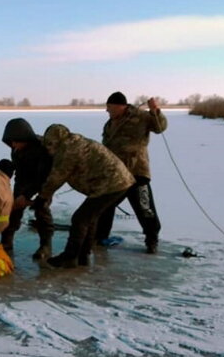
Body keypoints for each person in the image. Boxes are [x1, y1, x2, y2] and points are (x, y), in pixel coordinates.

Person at [30, 124, 135, 268]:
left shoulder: (68, 150)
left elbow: (57, 177)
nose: (48, 149)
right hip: (115, 181)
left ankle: (70, 256)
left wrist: (42, 198)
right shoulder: (71, 141)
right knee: (89, 219)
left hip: (111, 183)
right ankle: (83, 255)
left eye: (50, 144)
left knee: (80, 219)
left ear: (55, 141)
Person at [96, 91, 168, 254]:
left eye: (109, 107)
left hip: (137, 172)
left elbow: (159, 127)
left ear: (120, 106)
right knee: (104, 205)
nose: (107, 111)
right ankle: (100, 237)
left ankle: (152, 240)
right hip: (116, 174)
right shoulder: (109, 124)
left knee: (145, 208)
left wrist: (155, 111)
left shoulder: (141, 117)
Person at [0, 118, 54, 259]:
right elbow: (20, 172)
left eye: (16, 141)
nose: (13, 145)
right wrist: (18, 194)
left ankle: (45, 245)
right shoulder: (16, 149)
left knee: (42, 209)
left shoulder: (43, 149)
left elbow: (43, 177)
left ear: (25, 138)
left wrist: (27, 195)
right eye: (11, 142)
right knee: (13, 208)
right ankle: (6, 241)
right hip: (25, 180)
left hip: (45, 181)